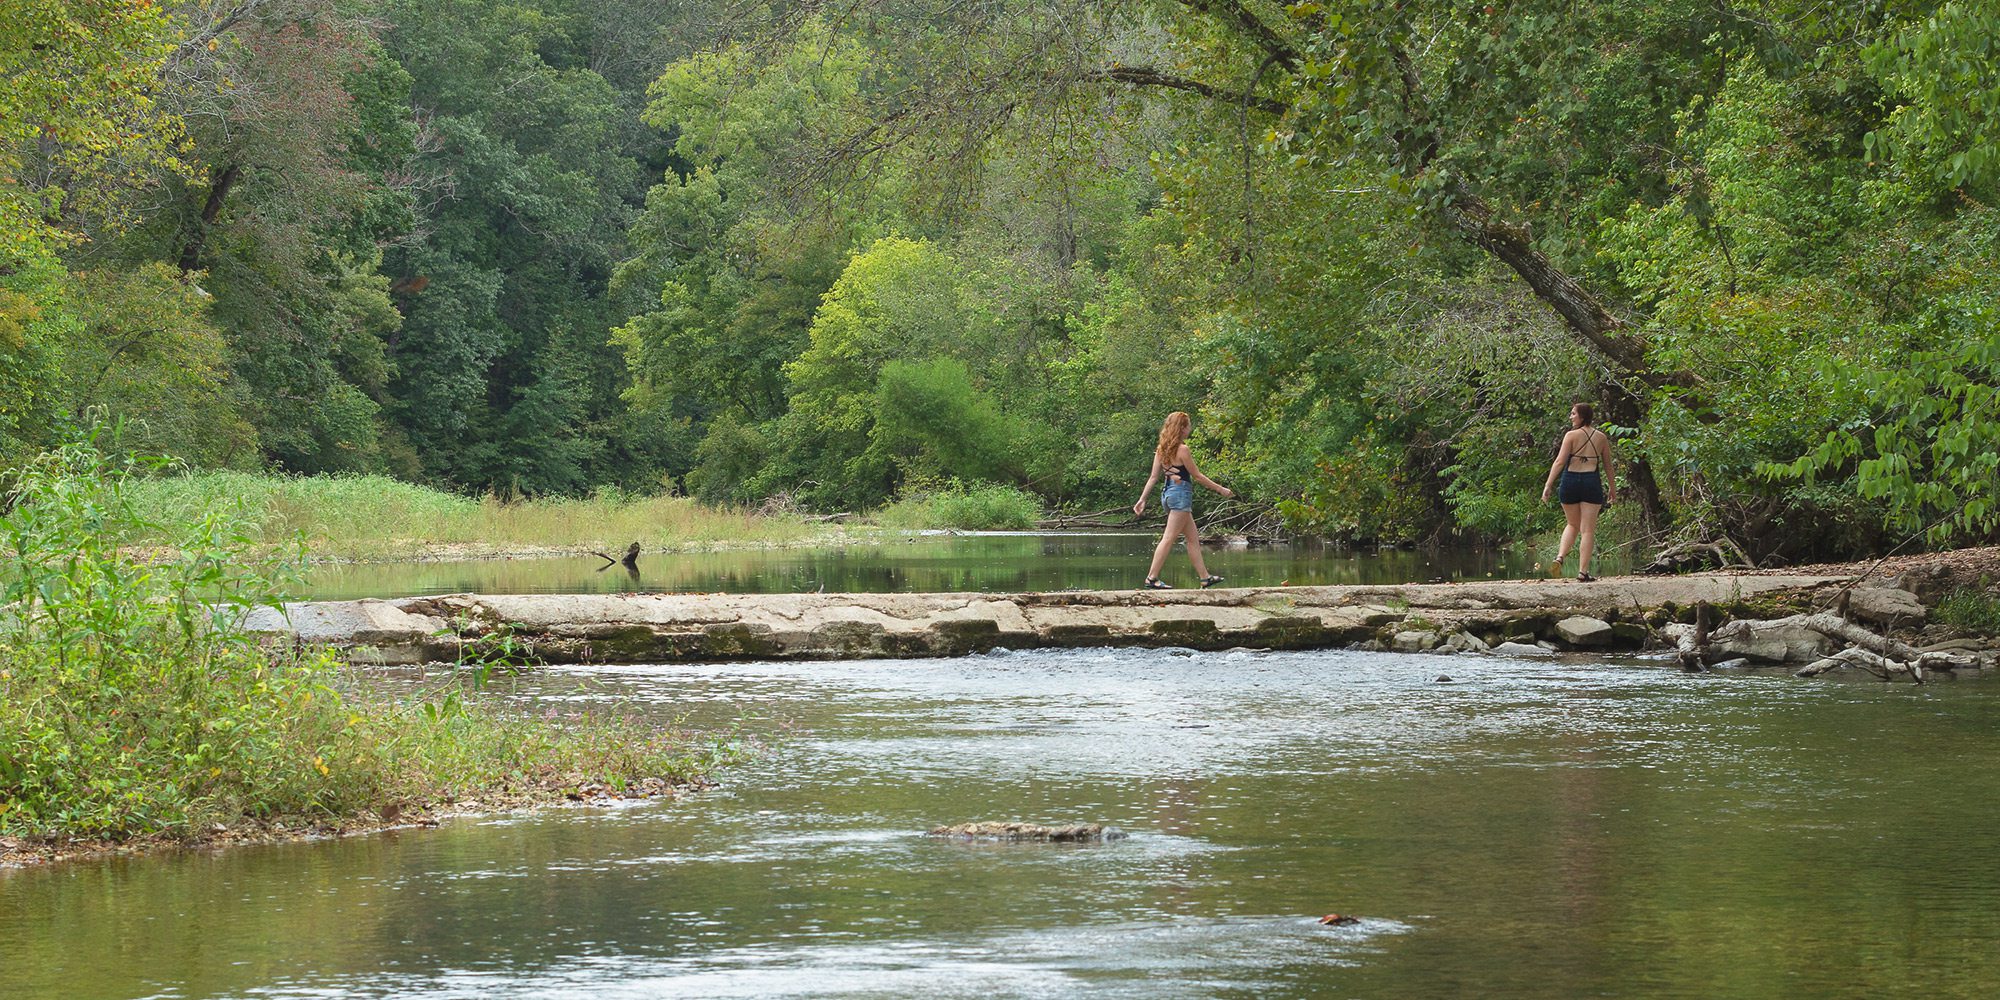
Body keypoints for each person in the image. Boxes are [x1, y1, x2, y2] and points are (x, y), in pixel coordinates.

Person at [1133, 411, 1234, 588]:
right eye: (1188, 425)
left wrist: (1142, 499)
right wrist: (1221, 489)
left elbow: (1153, 478)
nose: (1190, 428)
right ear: (1181, 428)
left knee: (1193, 539)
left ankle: (1205, 577)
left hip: (1168, 494)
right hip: (1180, 496)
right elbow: (1197, 476)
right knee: (1169, 538)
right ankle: (1152, 578)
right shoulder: (1182, 450)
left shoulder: (1161, 450)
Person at [1540, 401, 1617, 582]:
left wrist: (1548, 484)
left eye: (1573, 414)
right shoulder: (1601, 437)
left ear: (1582, 416)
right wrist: (1612, 488)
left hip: (1570, 480)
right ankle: (1583, 572)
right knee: (1587, 530)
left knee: (1572, 524)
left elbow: (1559, 461)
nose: (1571, 417)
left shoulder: (1571, 436)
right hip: (1591, 481)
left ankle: (1560, 557)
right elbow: (1607, 465)